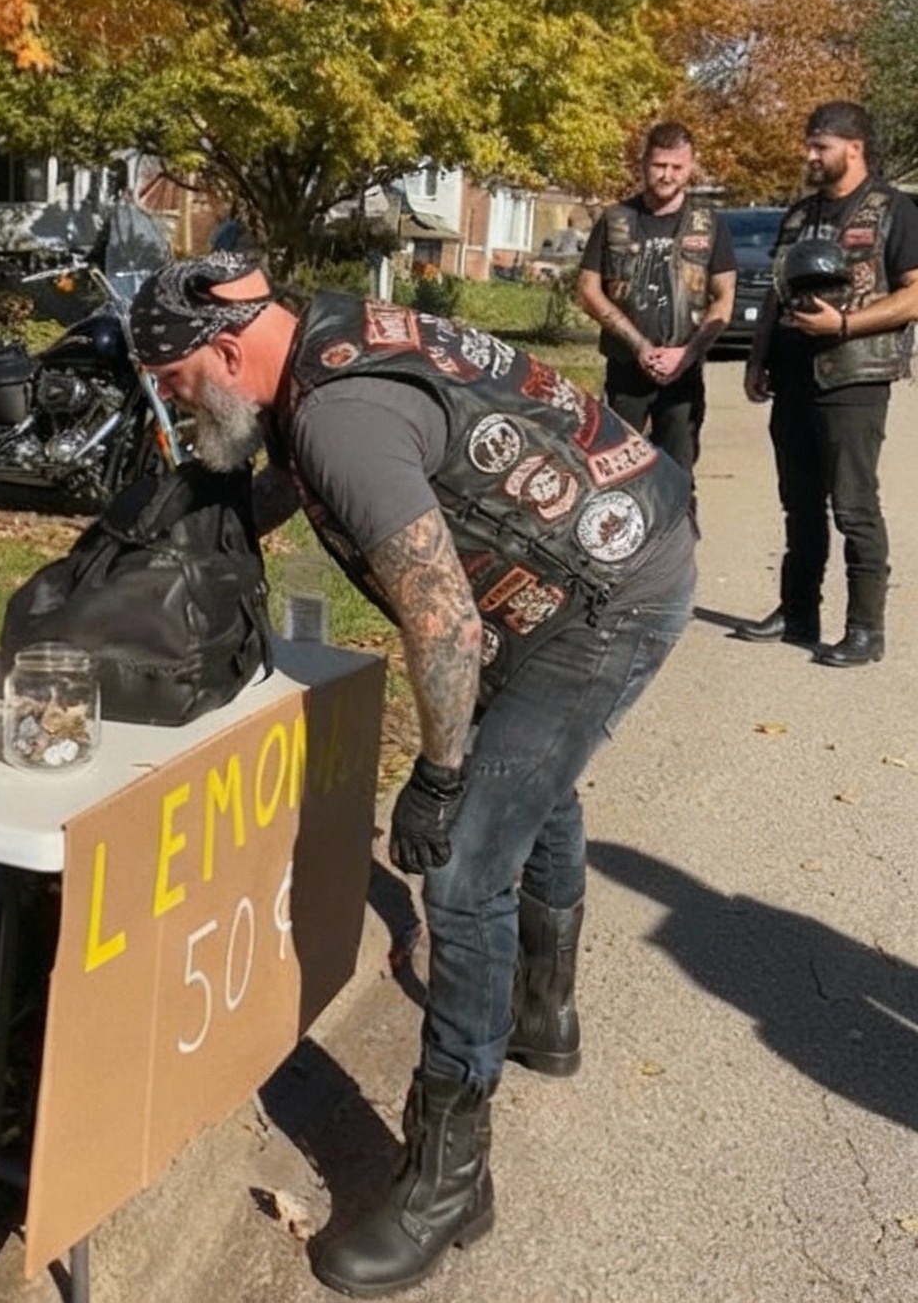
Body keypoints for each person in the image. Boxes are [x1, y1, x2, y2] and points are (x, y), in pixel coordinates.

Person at [129, 255, 696, 1298]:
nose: (178, 407)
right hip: (598, 540)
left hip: (608, 598)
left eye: (176, 385)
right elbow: (325, 477)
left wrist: (438, 775)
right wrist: (208, 516)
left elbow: (445, 623)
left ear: (226, 351)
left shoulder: (336, 416)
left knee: (466, 866)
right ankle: (544, 1015)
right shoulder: (324, 339)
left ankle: (450, 1177)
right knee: (531, 781)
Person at [738, 101, 918, 666]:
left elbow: (915, 293)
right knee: (800, 504)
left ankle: (865, 629)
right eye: (810, 144)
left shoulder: (893, 210)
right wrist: (757, 358)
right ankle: (798, 611)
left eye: (821, 146)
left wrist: (844, 325)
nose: (810, 155)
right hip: (793, 378)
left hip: (855, 378)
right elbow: (774, 291)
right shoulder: (799, 214)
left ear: (853, 148)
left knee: (854, 506)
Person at [577, 121, 736, 489]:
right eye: (659, 165)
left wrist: (687, 354)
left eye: (677, 167)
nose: (667, 175)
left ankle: (679, 528)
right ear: (644, 164)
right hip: (625, 370)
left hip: (683, 376)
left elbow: (724, 299)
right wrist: (640, 347)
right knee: (615, 475)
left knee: (677, 477)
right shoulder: (615, 219)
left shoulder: (709, 225)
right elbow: (588, 290)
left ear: (691, 166)